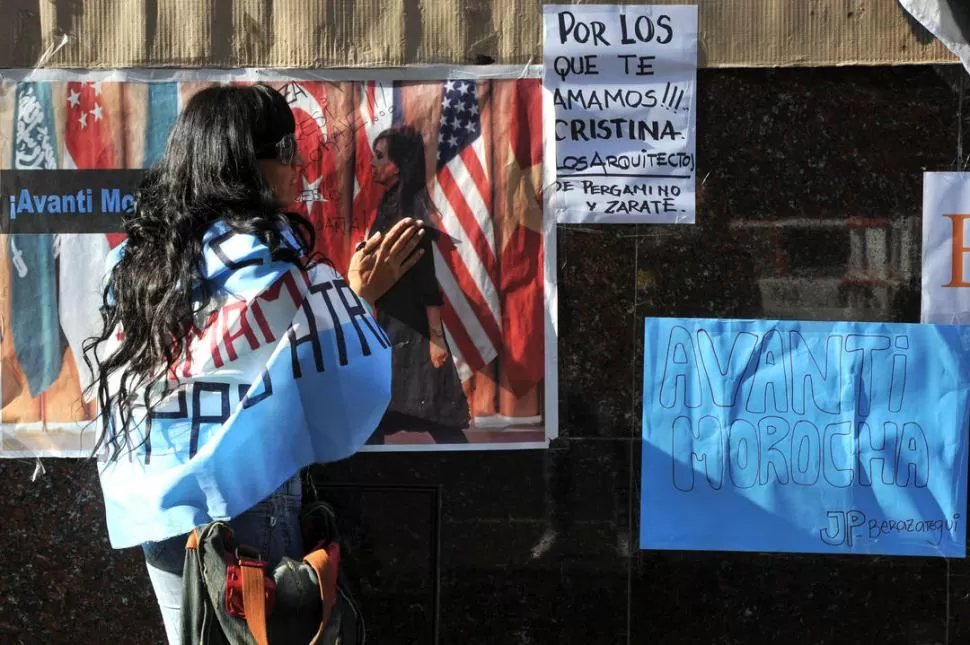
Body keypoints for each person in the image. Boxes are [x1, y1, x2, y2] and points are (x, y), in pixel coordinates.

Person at [83, 84, 424, 644]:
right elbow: (329, 377)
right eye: (286, 147)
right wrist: (359, 297)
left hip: (158, 511)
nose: (298, 162)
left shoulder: (137, 264)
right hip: (246, 500)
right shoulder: (261, 257)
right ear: (247, 160)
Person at [365, 125, 471, 444]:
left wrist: (436, 340)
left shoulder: (410, 214)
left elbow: (426, 281)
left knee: (438, 420)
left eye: (379, 157)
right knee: (375, 419)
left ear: (396, 165)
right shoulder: (390, 205)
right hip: (390, 329)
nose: (372, 163)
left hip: (412, 333)